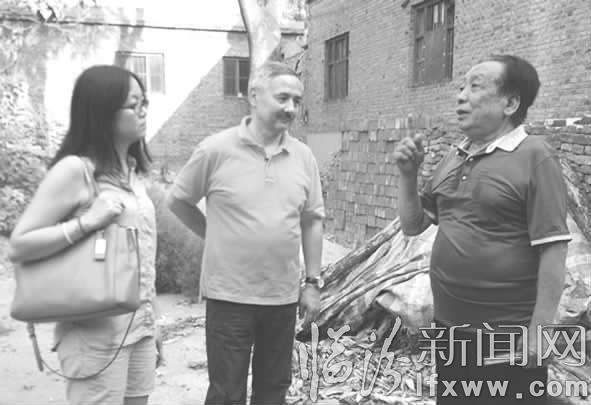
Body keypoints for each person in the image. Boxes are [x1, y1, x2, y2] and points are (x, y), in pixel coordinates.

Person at [394, 55, 571, 404]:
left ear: (510, 103)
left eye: (475, 87)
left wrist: (541, 329)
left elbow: (554, 248)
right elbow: (413, 225)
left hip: (507, 334)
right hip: (451, 328)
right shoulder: (454, 156)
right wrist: (408, 175)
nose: (461, 96)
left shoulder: (535, 156)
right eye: (461, 87)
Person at [166, 61, 325, 404]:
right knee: (226, 393)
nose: (291, 108)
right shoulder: (216, 150)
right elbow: (178, 200)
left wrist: (312, 282)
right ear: (254, 96)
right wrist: (213, 233)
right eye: (282, 98)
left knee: (273, 389)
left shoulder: (303, 157)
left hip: (282, 298)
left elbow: (312, 219)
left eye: (297, 101)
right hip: (229, 298)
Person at [8, 65, 163, 405]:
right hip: (94, 333)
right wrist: (87, 222)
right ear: (102, 111)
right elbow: (19, 245)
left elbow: (142, 258)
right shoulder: (76, 170)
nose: (143, 111)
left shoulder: (133, 174)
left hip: (138, 327)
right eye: (133, 104)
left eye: (144, 103)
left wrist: (153, 323)